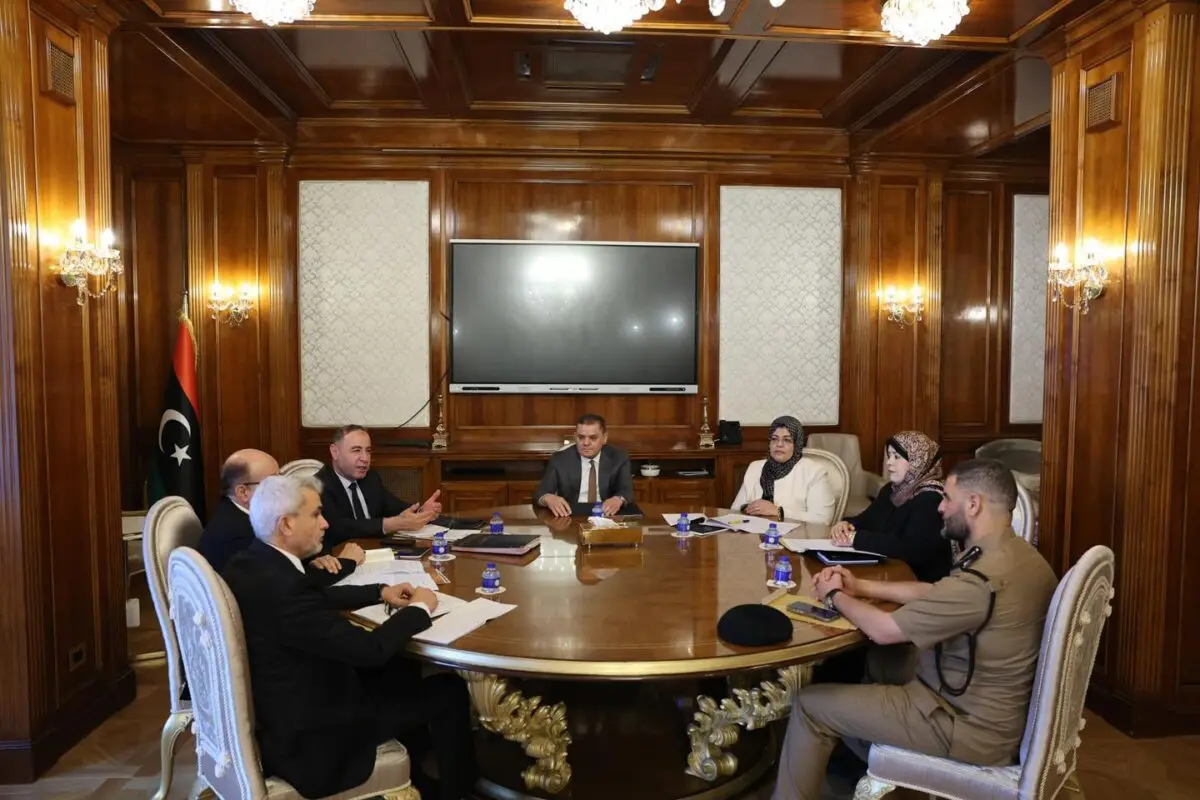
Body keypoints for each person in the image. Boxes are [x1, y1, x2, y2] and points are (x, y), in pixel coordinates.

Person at [771, 459, 1058, 800]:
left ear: (973, 504)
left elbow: (884, 629)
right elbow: (938, 591)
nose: (940, 507)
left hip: (962, 724)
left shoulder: (981, 581)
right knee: (878, 660)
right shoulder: (1019, 556)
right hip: (985, 703)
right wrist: (860, 586)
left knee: (810, 704)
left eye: (947, 498)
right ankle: (863, 751)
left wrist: (834, 595)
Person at [223, 474, 475, 800]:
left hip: (287, 705)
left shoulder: (249, 564)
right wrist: (420, 608)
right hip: (318, 736)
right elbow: (370, 650)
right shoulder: (286, 590)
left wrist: (379, 591)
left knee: (402, 669)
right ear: (286, 524)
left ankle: (418, 774)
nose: (326, 523)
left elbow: (313, 595)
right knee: (449, 689)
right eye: (316, 514)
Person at [198, 448, 363, 580]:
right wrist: (346, 563)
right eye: (273, 481)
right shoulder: (234, 535)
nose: (282, 487)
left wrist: (315, 561)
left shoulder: (245, 514)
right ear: (243, 493)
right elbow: (287, 584)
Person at [829, 431, 953, 583]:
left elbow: (908, 547)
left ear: (918, 461)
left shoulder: (931, 498)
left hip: (921, 581)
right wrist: (847, 525)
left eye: (897, 457)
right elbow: (867, 519)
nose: (889, 462)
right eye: (889, 456)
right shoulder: (892, 489)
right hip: (889, 571)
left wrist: (855, 538)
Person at [316, 425, 444, 547]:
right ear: (335, 452)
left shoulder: (370, 478)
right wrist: (388, 525)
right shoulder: (318, 486)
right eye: (356, 450)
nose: (365, 458)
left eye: (368, 451)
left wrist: (422, 513)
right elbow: (339, 528)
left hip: (376, 551)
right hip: (339, 555)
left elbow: (395, 507)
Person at [731, 416, 836, 524]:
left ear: (797, 444)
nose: (779, 444)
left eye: (787, 440)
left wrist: (778, 511)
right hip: (754, 531)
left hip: (796, 533)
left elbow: (823, 519)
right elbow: (735, 509)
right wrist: (749, 508)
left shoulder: (814, 472)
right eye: (774, 439)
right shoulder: (755, 467)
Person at [535, 413, 634, 517]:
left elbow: (626, 490)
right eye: (581, 437)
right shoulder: (560, 459)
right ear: (575, 437)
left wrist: (618, 499)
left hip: (606, 515)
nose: (586, 443)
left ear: (604, 438)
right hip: (569, 515)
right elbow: (541, 492)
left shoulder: (618, 457)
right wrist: (548, 498)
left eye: (593, 438)